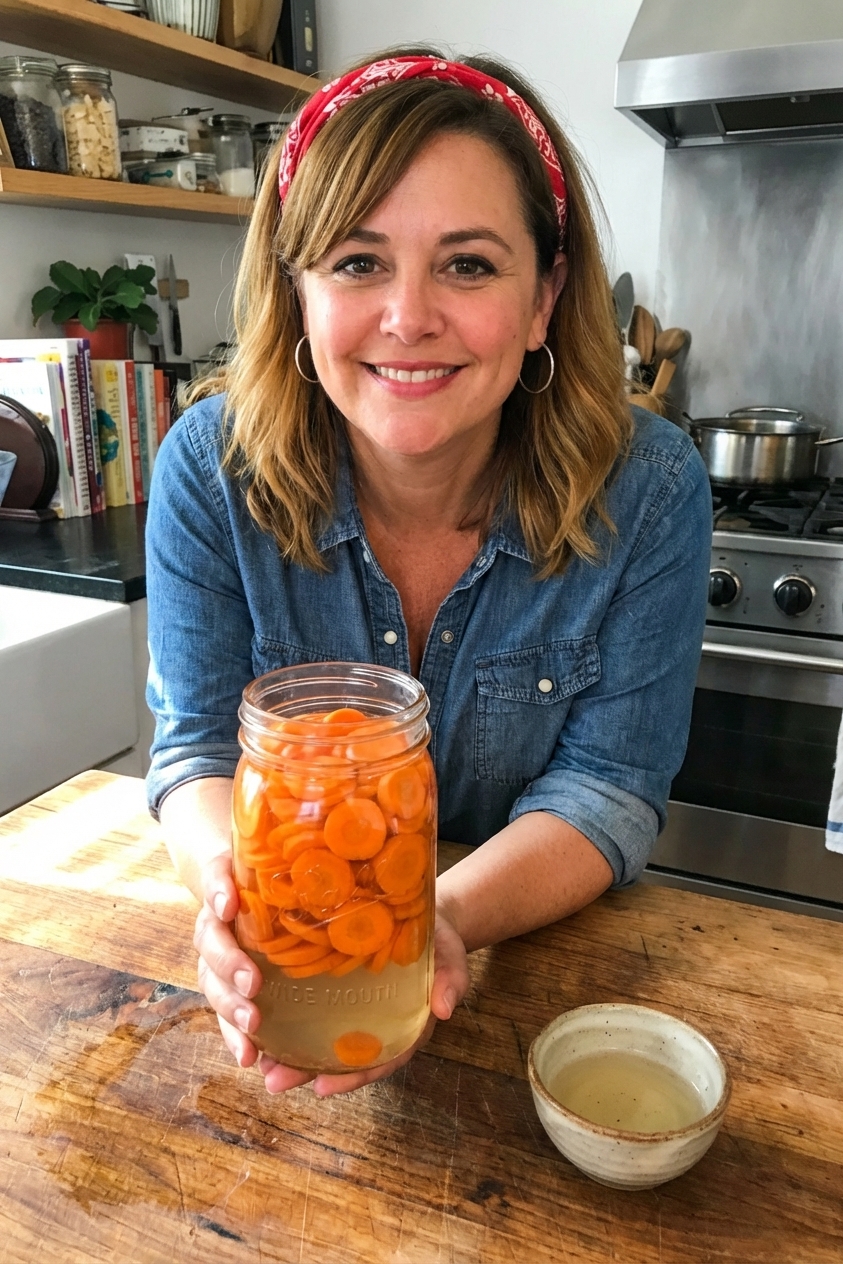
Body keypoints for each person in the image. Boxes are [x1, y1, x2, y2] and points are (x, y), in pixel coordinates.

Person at [145, 49, 712, 1098]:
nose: (408, 317)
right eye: (358, 262)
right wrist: (247, 906)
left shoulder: (651, 489)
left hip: (549, 986)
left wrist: (433, 919)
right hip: (294, 957)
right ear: (298, 291)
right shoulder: (209, 469)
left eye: (468, 264)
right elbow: (194, 755)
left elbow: (612, 791)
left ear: (543, 299)